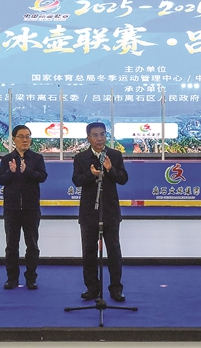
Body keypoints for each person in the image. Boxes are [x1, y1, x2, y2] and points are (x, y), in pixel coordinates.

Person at [72, 122, 128, 302]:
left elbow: (123, 179)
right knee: (89, 252)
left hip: (110, 211)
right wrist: (91, 175)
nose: (99, 138)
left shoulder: (115, 155)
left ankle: (116, 289)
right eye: (95, 135)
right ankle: (92, 288)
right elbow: (77, 181)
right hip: (89, 212)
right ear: (88, 137)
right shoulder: (81, 158)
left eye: (102, 134)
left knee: (114, 252)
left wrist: (110, 169)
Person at [0, 125, 48, 290]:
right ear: (14, 139)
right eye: (21, 136)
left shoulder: (37, 158)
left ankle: (31, 278)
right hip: (11, 209)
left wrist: (28, 171)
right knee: (11, 245)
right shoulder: (7, 159)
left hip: (31, 208)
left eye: (28, 136)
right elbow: (1, 180)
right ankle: (12, 278)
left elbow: (43, 177)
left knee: (32, 244)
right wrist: (11, 172)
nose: (25, 140)